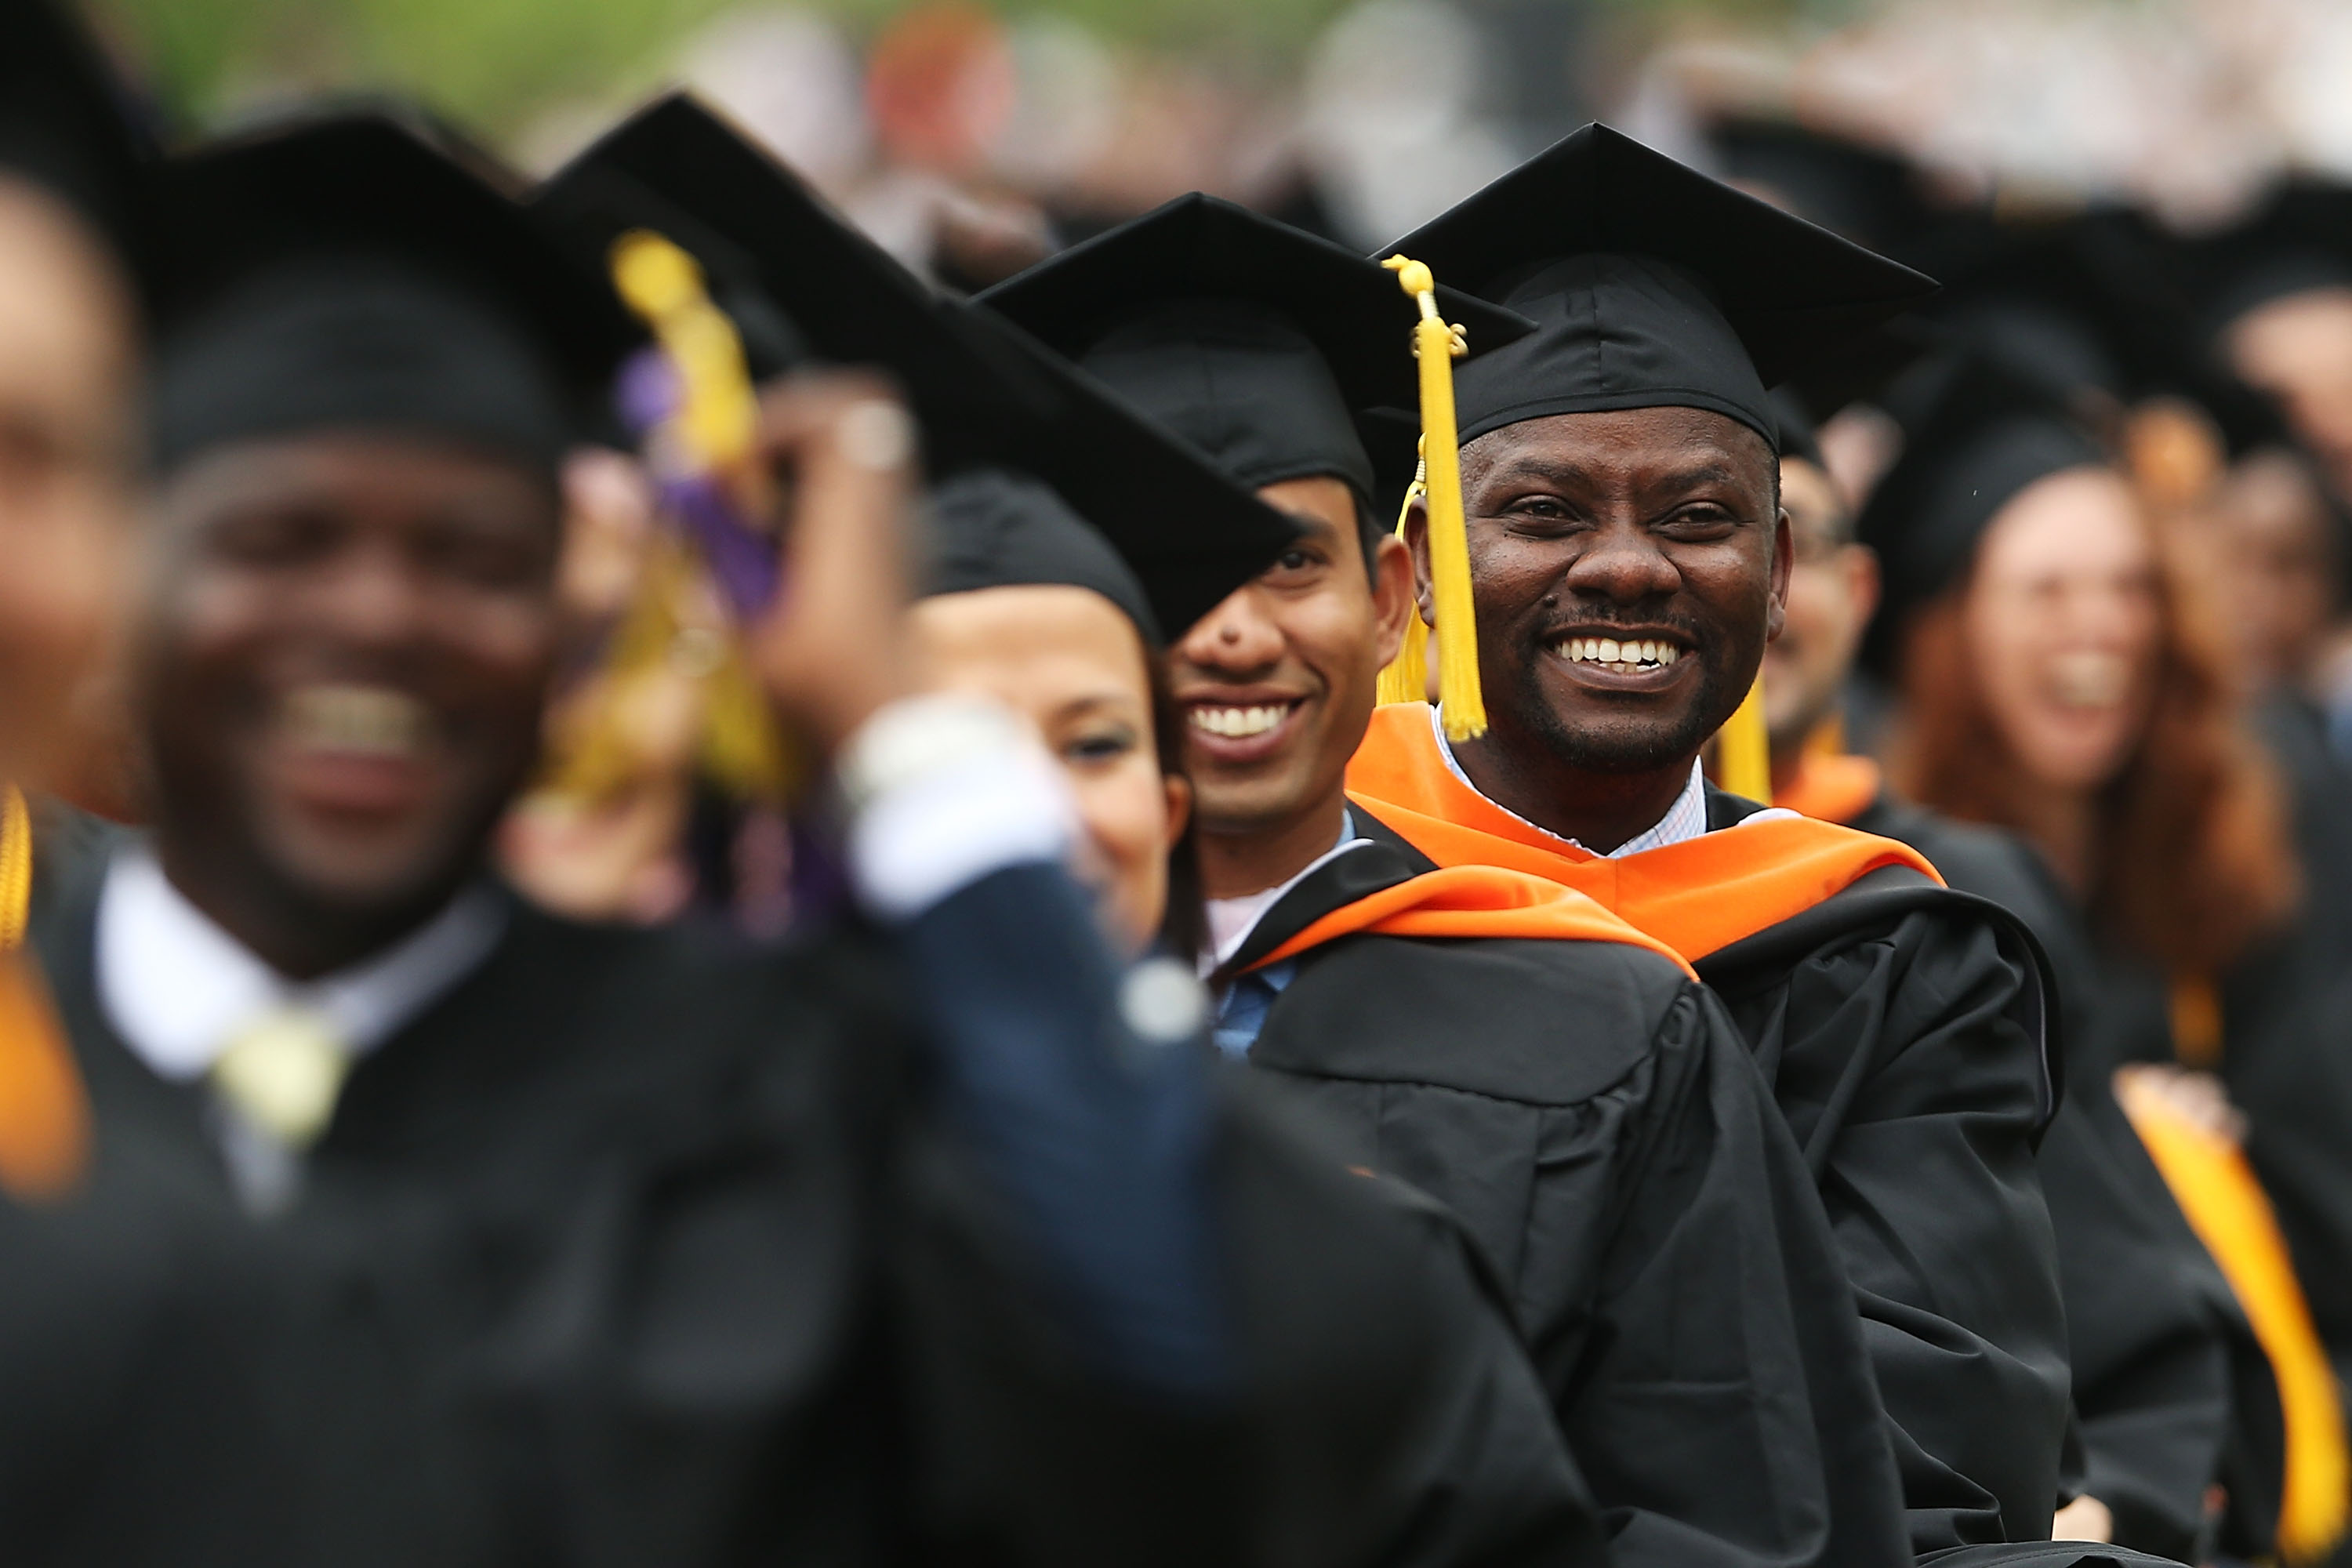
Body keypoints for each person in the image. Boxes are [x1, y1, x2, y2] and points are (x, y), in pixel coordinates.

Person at [32, 97, 1604, 1564]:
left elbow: (1253, 1378)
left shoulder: (765, 1089)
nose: (375, 617)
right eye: (277, 540)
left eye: (474, 557)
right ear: (120, 581)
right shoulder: (34, 1063)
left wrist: (915, 752)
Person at [980, 194, 1911, 1568]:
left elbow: (1730, 1488)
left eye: (1289, 559)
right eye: (1156, 567)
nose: (1230, 629)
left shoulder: (1608, 1033)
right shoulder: (905, 1021)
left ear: (1390, 591)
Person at [1338, 124, 2089, 1559]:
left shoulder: (1891, 961)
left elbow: (1945, 1433)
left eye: (1698, 517)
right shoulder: (1319, 906)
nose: (1627, 565)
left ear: (1783, 570)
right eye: (1545, 513)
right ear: (1425, 569)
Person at [1858, 343, 2352, 1566]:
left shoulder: (2231, 861)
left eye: (2131, 589)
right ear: (1951, 623)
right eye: (2047, 591)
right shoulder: (1887, 878)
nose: (2100, 631)